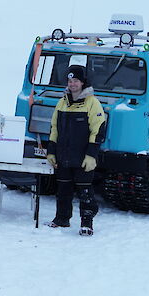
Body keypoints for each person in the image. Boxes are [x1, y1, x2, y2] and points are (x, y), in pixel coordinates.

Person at [46, 65, 106, 236]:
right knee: (63, 189)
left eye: (76, 81)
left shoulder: (92, 103)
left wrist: (91, 155)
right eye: (70, 81)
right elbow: (54, 128)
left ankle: (87, 223)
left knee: (85, 191)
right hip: (63, 156)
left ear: (82, 82)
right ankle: (61, 219)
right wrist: (51, 151)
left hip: (83, 157)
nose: (72, 84)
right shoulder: (62, 102)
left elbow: (98, 129)